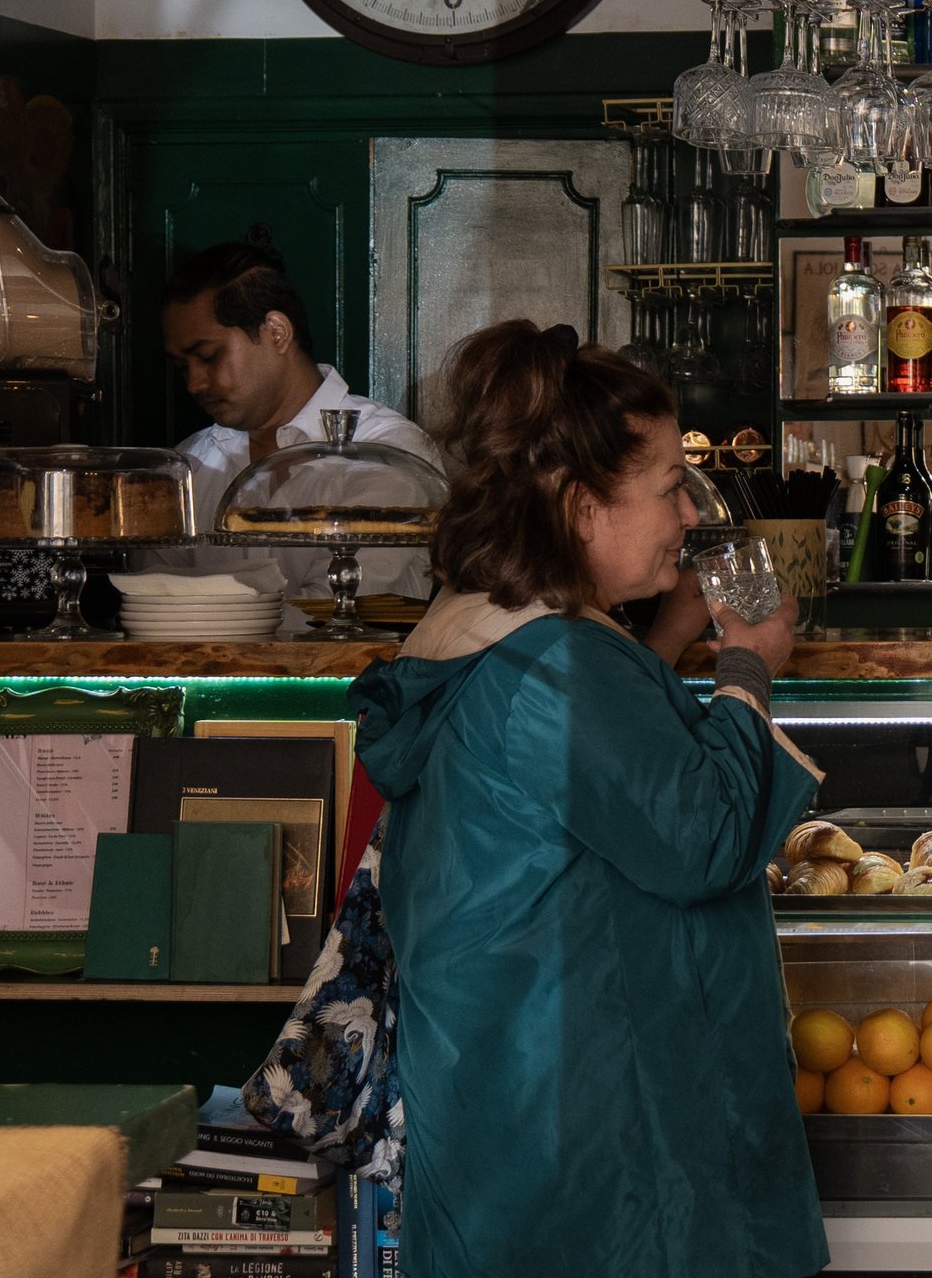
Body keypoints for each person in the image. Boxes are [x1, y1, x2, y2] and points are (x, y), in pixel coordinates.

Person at [348, 321, 826, 1278]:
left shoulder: (498, 633)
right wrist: (745, 666)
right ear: (576, 507)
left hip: (518, 1126)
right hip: (597, 1157)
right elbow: (701, 838)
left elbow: (589, 792)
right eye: (666, 491)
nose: (689, 516)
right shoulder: (559, 663)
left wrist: (658, 649)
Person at [158, 230, 439, 595]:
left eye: (209, 356)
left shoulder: (387, 451)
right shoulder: (189, 463)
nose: (194, 383)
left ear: (276, 332)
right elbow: (155, 598)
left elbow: (334, 610)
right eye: (182, 366)